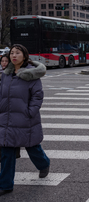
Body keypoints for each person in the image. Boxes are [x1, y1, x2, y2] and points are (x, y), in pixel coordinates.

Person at [0, 44, 50, 196]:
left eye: (17, 53)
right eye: (12, 53)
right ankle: (6, 185)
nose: (14, 55)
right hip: (6, 118)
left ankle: (44, 164)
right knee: (6, 152)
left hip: (24, 118)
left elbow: (37, 96)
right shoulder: (6, 74)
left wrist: (30, 112)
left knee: (32, 147)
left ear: (25, 56)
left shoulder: (31, 74)